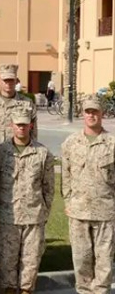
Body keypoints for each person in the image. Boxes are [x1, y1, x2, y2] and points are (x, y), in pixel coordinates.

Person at [0, 106, 55, 294]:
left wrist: (43, 212)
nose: (21, 128)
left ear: (31, 126)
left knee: (31, 261)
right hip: (7, 217)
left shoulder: (43, 153)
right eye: (18, 124)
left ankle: (27, 291)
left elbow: (48, 188)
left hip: (33, 217)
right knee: (7, 261)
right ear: (11, 125)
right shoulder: (1, 151)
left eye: (25, 125)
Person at [61, 95, 115, 294]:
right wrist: (67, 200)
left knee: (104, 260)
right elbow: (65, 174)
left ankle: (101, 291)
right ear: (82, 114)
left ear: (102, 113)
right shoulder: (71, 143)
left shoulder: (112, 143)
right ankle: (84, 291)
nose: (91, 115)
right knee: (81, 258)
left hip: (105, 211)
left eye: (95, 111)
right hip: (78, 211)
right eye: (88, 111)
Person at [0, 64, 37, 143]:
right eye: (5, 80)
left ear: (16, 81)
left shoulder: (27, 103)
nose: (8, 83)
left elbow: (33, 132)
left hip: (16, 152)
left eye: (11, 80)